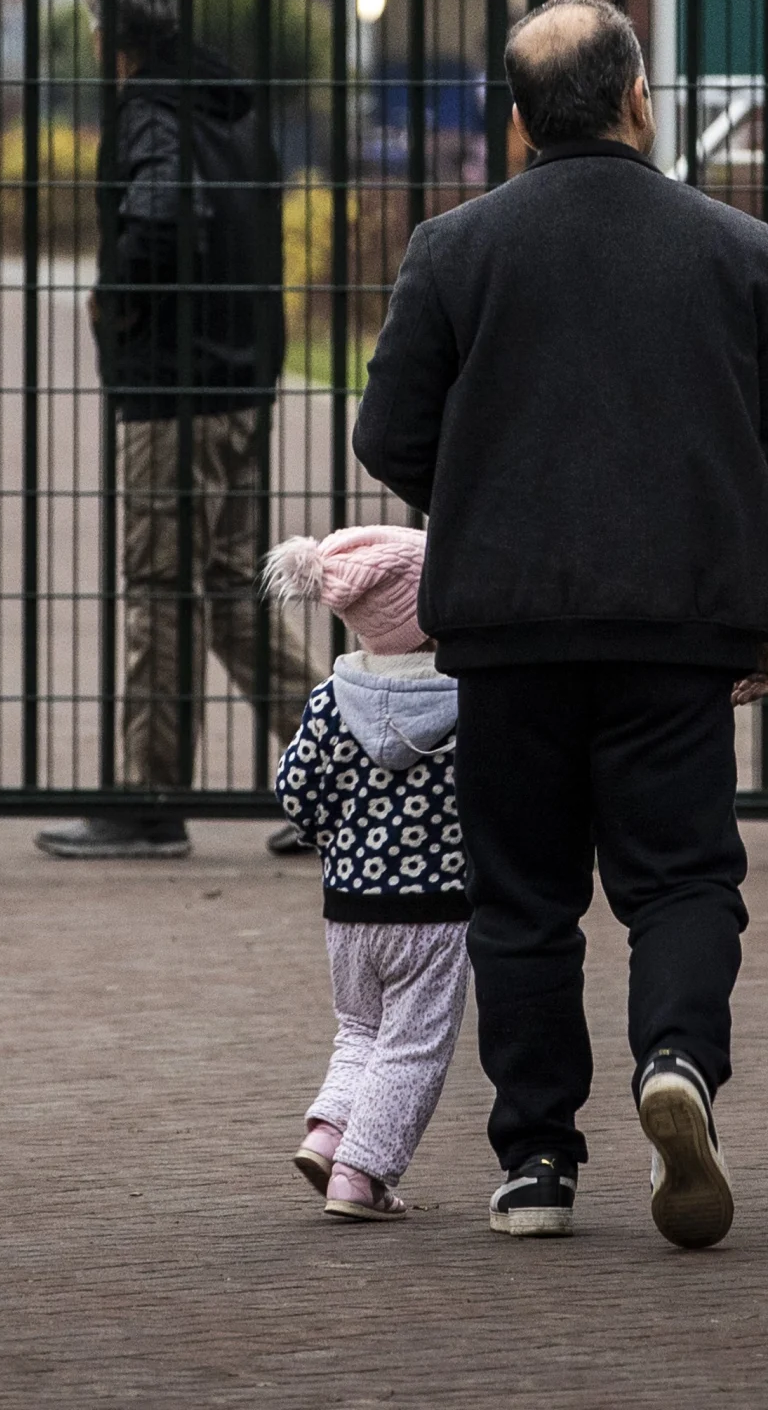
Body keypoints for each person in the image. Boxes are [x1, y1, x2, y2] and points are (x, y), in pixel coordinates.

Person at [351, 0, 768, 1250]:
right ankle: (676, 1059)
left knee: (522, 901)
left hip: (506, 629)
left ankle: (538, 1162)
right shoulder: (737, 250)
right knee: (680, 878)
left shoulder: (454, 250)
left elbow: (388, 434)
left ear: (517, 125)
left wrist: (493, 491)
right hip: (675, 628)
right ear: (639, 99)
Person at [38, 0, 316, 862]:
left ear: (105, 29)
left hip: (173, 389)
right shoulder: (230, 109)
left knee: (159, 585)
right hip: (242, 382)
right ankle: (350, 778)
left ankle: (150, 798)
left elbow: (161, 216)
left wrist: (117, 304)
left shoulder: (151, 109)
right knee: (233, 586)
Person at [267, 523, 469, 1224]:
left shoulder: (330, 700)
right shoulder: (465, 701)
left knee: (358, 1030)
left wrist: (335, 835)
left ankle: (328, 1132)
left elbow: (295, 791)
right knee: (413, 1045)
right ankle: (362, 1171)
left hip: (347, 907)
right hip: (435, 912)